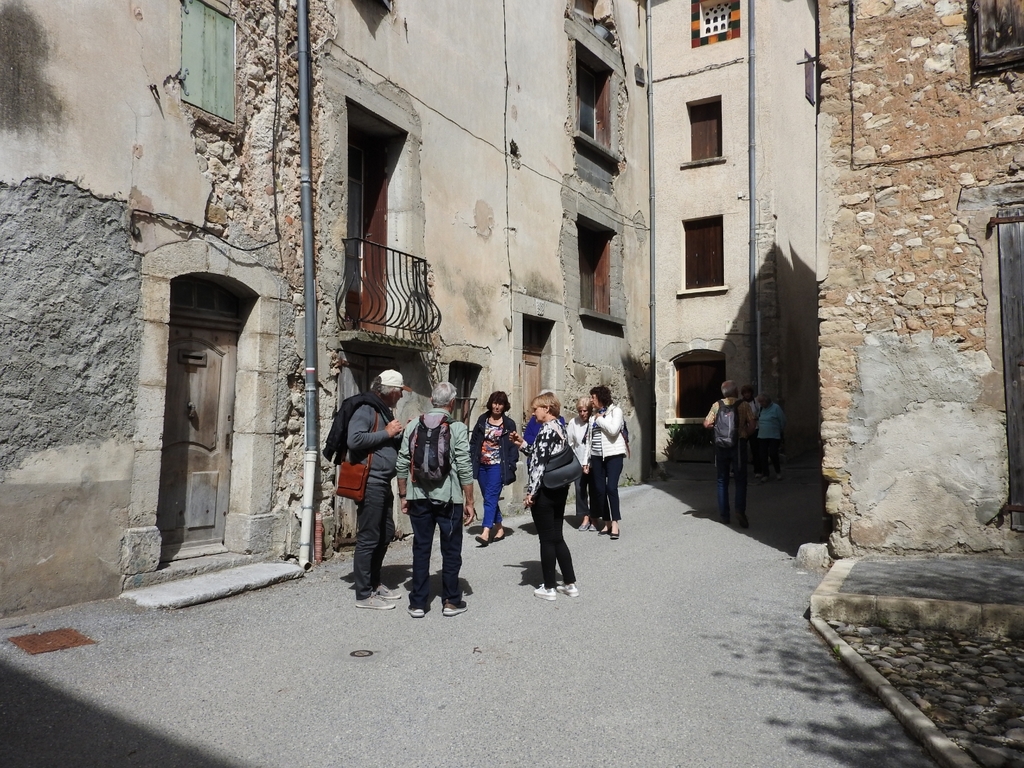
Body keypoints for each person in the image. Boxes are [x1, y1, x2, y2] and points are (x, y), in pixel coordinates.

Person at [396, 382, 476, 618]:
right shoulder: (458, 428)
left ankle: (418, 603)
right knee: (451, 549)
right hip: (449, 499)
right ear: (452, 403)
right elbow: (464, 466)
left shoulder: (412, 427)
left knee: (421, 548)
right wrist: (469, 501)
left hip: (418, 496)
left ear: (432, 400)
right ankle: (451, 601)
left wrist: (403, 495)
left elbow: (402, 463)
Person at [346, 370, 408, 609]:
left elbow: (384, 443)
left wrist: (400, 434)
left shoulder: (383, 411)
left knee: (385, 532)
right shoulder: (366, 409)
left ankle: (374, 583)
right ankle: (363, 595)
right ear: (392, 391)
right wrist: (387, 432)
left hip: (383, 481)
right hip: (371, 481)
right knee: (369, 537)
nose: (401, 396)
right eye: (400, 391)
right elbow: (355, 440)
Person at [510, 392, 579, 601]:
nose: (533, 413)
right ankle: (569, 583)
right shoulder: (559, 428)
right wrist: (522, 444)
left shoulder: (546, 430)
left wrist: (531, 492)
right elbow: (541, 454)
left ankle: (549, 587)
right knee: (557, 536)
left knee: (547, 539)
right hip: (559, 487)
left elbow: (539, 465)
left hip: (545, 490)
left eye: (535, 409)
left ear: (546, 409)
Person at [704, 380, 757, 528]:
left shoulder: (716, 405)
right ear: (735, 391)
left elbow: (706, 423)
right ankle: (739, 510)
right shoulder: (744, 405)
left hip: (721, 445)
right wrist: (745, 434)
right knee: (740, 480)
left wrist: (718, 429)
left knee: (722, 480)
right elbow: (752, 424)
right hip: (738, 445)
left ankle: (724, 515)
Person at [469, 391, 519, 545]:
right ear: (491, 404)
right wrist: (472, 457)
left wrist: (511, 464)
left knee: (490, 497)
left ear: (504, 406)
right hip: (482, 465)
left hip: (498, 466)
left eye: (501, 404)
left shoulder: (508, 424)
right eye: (495, 403)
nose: (497, 407)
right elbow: (474, 441)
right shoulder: (482, 419)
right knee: (489, 498)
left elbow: (512, 447)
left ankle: (485, 531)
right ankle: (499, 528)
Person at [587, 385, 627, 540]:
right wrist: (586, 461)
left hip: (614, 455)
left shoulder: (615, 411)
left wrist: (600, 420)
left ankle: (616, 523)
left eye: (593, 397)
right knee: (599, 489)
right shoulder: (593, 416)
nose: (591, 400)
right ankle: (607, 522)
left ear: (600, 398)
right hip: (596, 456)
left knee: (611, 488)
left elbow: (613, 430)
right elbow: (589, 440)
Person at [567, 396, 597, 531]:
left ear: (589, 410)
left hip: (593, 461)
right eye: (580, 411)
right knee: (580, 490)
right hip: (578, 461)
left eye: (585, 410)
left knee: (595, 490)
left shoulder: (594, 421)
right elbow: (570, 443)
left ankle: (595, 518)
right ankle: (584, 516)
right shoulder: (574, 423)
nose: (583, 414)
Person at [755, 393, 787, 483]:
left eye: (762, 402)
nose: (761, 404)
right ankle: (765, 474)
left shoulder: (776, 408)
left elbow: (783, 420)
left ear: (767, 401)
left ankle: (778, 471)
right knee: (763, 455)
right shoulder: (761, 409)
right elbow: (758, 418)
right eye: (760, 402)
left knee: (773, 453)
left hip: (774, 435)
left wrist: (779, 430)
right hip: (762, 435)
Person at [741, 384, 763, 478]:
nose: (747, 395)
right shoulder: (741, 403)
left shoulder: (755, 402)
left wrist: (756, 418)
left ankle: (758, 470)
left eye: (748, 392)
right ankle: (736, 469)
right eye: (745, 393)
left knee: (755, 449)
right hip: (744, 429)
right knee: (741, 449)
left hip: (754, 428)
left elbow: (760, 413)